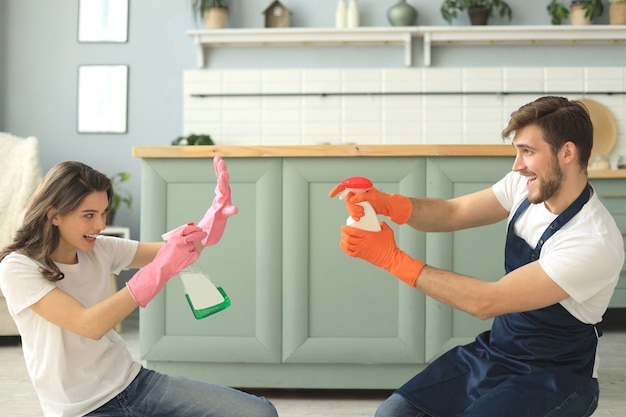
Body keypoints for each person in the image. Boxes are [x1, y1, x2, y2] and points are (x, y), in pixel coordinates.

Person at [330, 96, 624, 417]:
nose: (516, 165)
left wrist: (391, 258)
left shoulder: (591, 241)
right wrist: (388, 203)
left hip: (555, 376)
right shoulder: (523, 186)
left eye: (528, 151)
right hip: (497, 355)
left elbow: (487, 301)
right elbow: (452, 212)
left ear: (567, 152)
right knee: (393, 414)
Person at [0, 157, 278, 417]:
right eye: (88, 215)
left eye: (103, 213)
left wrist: (210, 222)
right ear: (54, 215)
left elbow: (172, 251)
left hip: (134, 382)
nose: (100, 225)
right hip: (80, 408)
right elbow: (89, 324)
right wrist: (155, 274)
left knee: (260, 413)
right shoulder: (18, 267)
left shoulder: (99, 248)